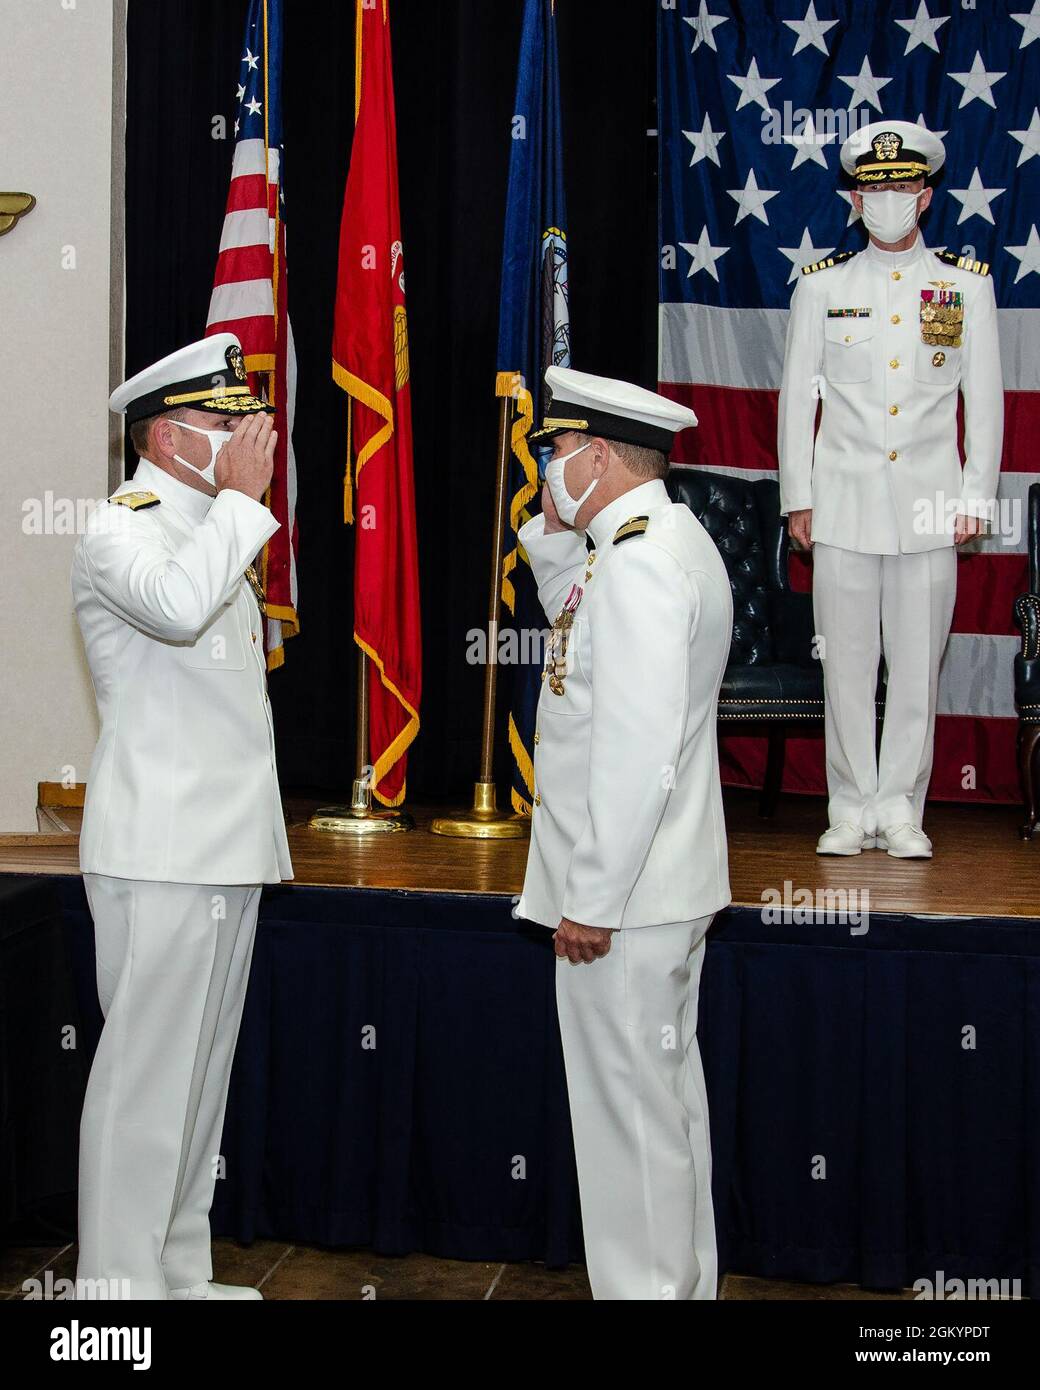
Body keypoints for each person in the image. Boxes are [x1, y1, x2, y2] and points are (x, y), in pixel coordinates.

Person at [71, 333, 293, 1300]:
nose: (245, 436)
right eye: (221, 421)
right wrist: (243, 499)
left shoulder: (211, 526)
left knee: (199, 1084)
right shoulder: (122, 527)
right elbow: (175, 608)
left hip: (226, 846)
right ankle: (116, 1296)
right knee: (142, 1087)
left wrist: (234, 505)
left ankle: (175, 1272)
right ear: (165, 435)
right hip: (159, 849)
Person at [515, 366, 733, 1300]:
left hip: (626, 899)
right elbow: (569, 602)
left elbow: (636, 750)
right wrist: (556, 523)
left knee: (629, 1130)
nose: (548, 471)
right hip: (663, 889)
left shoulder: (639, 564)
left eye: (558, 453)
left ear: (598, 454)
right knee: (665, 1110)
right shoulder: (651, 541)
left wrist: (590, 898)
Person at [777, 120, 1003, 858]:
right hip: (841, 503)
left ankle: (902, 808)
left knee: (915, 666)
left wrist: (975, 496)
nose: (889, 201)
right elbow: (797, 401)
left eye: (903, 187)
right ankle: (849, 807)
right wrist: (797, 497)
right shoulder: (822, 287)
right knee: (843, 663)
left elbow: (987, 401)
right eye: (875, 189)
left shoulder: (967, 286)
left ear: (927, 195)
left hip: (932, 506)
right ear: (853, 199)